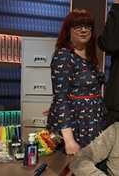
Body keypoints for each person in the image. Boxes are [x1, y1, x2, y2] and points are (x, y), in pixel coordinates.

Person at [46, 9, 106, 155]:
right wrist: (69, 140)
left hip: (92, 121)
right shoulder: (64, 56)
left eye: (87, 26)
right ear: (68, 30)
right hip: (75, 125)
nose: (83, 30)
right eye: (77, 26)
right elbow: (61, 98)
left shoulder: (90, 57)